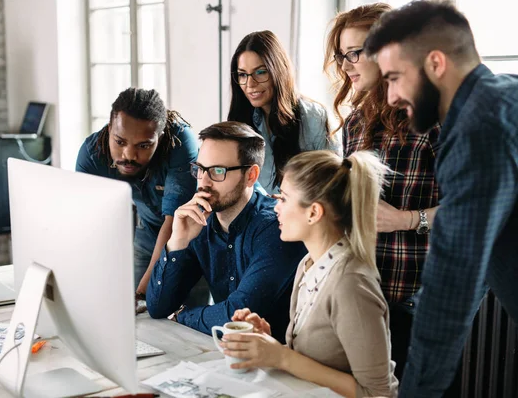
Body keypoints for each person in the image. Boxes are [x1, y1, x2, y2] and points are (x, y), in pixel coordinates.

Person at [363, 1, 518, 397]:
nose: (392, 96)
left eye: (396, 77)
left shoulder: (477, 129)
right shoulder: (505, 96)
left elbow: (455, 277)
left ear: (435, 63)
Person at [323, 3, 440, 382]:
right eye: (343, 55)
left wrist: (409, 219)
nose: (347, 64)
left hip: (420, 299)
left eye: (356, 52)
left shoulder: (437, 116)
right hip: (365, 293)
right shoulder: (356, 120)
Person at [222, 150, 398, 398]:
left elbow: (378, 393)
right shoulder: (309, 264)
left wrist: (282, 357)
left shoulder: (351, 285)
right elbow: (316, 361)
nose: (276, 208)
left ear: (314, 212)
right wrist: (266, 344)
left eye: (283, 198)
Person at [146, 121, 307, 343]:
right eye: (200, 169)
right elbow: (157, 306)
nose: (204, 182)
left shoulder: (276, 227)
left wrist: (182, 316)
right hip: (231, 356)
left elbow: (237, 315)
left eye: (218, 171)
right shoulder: (199, 220)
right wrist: (178, 241)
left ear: (251, 175)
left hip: (282, 363)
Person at [76, 87, 198, 306]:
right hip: (146, 235)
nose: (129, 155)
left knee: (185, 321)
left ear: (159, 138)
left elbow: (175, 221)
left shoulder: (179, 142)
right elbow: (87, 225)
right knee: (139, 319)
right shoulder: (92, 154)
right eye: (120, 142)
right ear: (109, 128)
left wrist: (141, 294)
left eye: (143, 145)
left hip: (190, 240)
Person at [227, 30, 339, 195]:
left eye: (260, 72)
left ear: (278, 71)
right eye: (243, 75)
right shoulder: (241, 122)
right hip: (259, 218)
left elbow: (334, 186)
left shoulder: (314, 117)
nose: (250, 84)